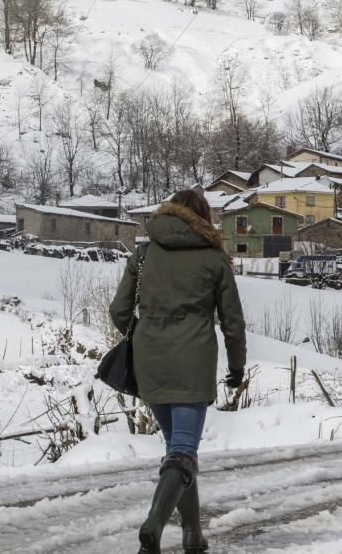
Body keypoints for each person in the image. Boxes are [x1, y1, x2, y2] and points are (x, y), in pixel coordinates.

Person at [110, 189, 246, 554]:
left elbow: (119, 311)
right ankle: (153, 525)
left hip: (149, 360)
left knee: (178, 451)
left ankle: (191, 534)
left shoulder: (144, 253)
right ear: (203, 219)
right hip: (193, 359)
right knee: (183, 451)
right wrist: (237, 367)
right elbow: (232, 323)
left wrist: (142, 333)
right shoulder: (215, 258)